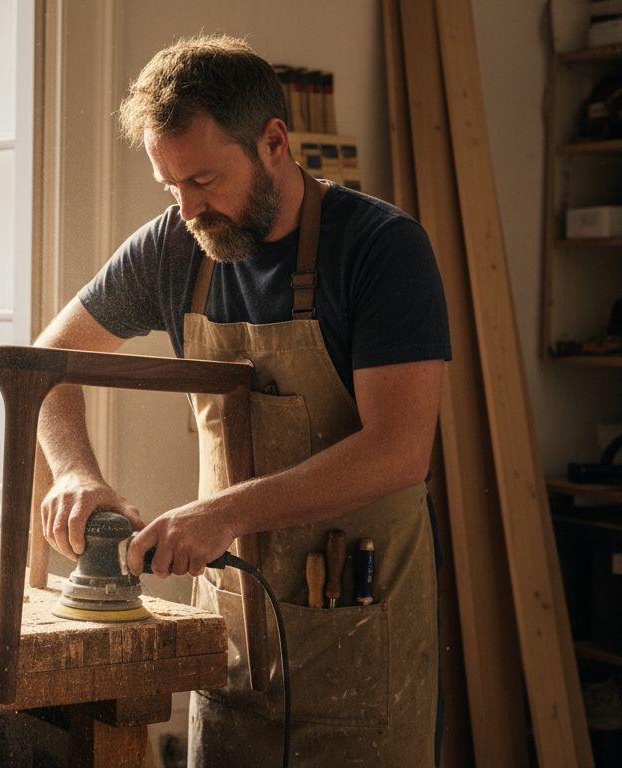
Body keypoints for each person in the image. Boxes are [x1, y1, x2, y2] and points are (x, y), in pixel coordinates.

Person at [34, 35, 450, 767]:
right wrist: (74, 472)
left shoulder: (382, 248)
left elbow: (398, 451)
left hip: (362, 641)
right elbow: (47, 363)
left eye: (204, 179)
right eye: (170, 186)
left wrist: (223, 513)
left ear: (274, 143)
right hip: (233, 649)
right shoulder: (174, 247)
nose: (189, 209)